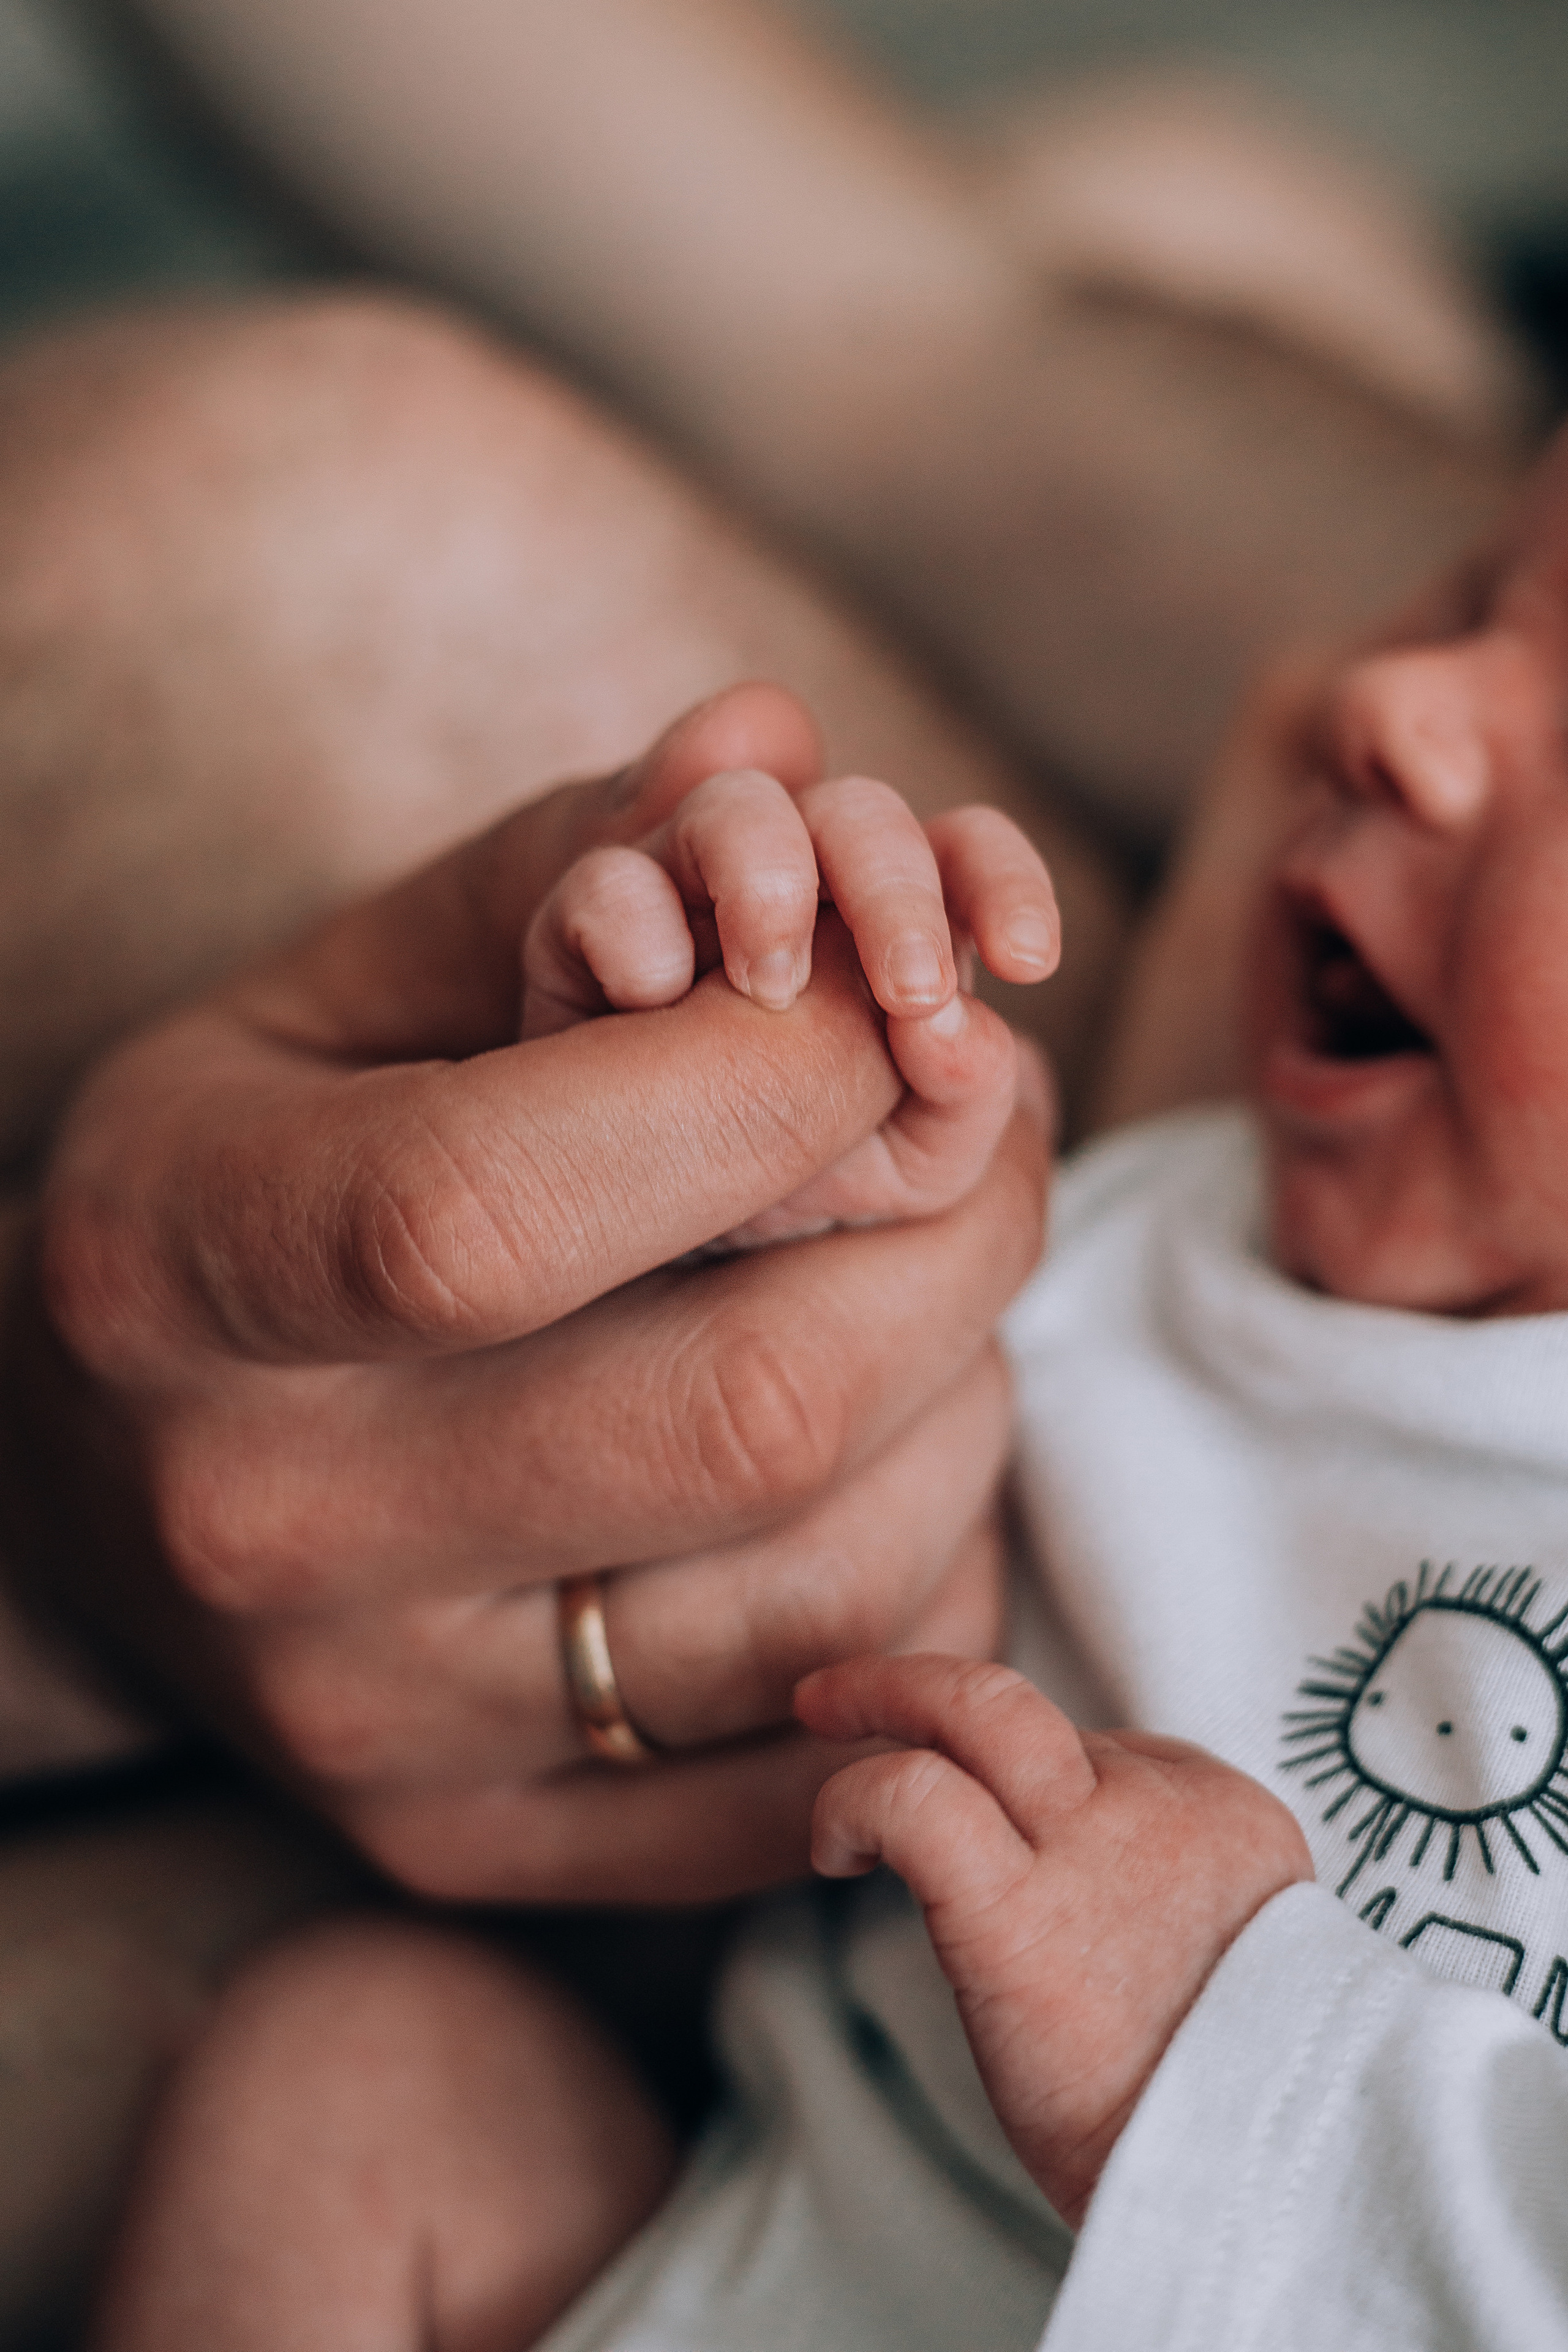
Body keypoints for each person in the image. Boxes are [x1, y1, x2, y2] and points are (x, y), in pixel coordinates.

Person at [92, 418, 1568, 2351]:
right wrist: (747, 1132)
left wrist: (1243, 2054)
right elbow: (786, 1465)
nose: (1381, 693)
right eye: (1471, 592)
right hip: (765, 2267)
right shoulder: (1178, 1234)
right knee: (366, 2078)